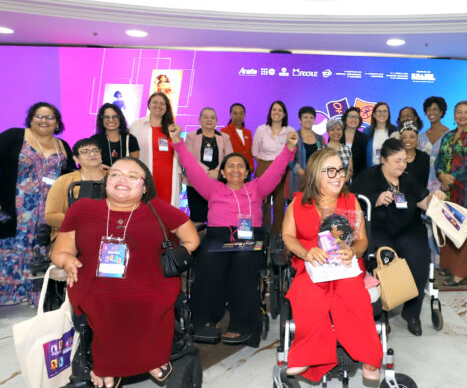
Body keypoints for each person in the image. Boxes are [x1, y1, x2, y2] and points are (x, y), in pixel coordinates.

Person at [50, 157, 200, 388]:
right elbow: (59, 251)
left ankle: (149, 360)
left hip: (151, 280)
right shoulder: (82, 209)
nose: (122, 180)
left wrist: (173, 258)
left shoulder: (158, 209)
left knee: (149, 303)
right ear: (106, 181)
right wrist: (68, 260)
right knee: (103, 304)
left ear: (145, 186)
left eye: (132, 176)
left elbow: (192, 239)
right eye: (116, 174)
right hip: (95, 281)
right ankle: (107, 366)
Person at [170, 123, 297, 346]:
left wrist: (288, 148)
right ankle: (205, 320)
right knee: (208, 262)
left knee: (244, 264)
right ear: (222, 172)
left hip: (249, 239)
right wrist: (178, 143)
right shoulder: (212, 188)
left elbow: (276, 170)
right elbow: (192, 168)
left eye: (241, 166)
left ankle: (243, 324)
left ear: (247, 172)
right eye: (230, 166)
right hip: (219, 238)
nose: (236, 170)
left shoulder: (257, 188)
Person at [281, 148, 382, 382]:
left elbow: (362, 240)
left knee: (354, 297)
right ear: (317, 174)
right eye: (331, 171)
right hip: (311, 263)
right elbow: (288, 237)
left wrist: (353, 251)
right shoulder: (297, 203)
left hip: (345, 264)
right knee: (309, 296)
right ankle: (308, 354)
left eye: (341, 170)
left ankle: (369, 355)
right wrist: (306, 253)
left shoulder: (350, 200)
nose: (339, 176)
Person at [0, 102, 76, 324]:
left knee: (39, 253)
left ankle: (38, 299)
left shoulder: (63, 146)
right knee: (2, 252)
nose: (44, 120)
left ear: (57, 122)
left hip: (46, 214)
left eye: (50, 117)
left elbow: (69, 175)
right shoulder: (13, 137)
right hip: (10, 212)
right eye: (39, 116)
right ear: (31, 118)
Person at [350, 138, 446, 336]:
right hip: (379, 230)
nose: (402, 165)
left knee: (420, 260)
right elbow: (352, 206)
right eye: (397, 161)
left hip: (409, 230)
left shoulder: (407, 179)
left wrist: (435, 197)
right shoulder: (367, 177)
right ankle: (382, 313)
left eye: (404, 160)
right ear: (383, 159)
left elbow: (423, 202)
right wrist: (375, 200)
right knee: (382, 263)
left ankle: (411, 314)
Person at [434, 101, 467, 286]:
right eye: (459, 112)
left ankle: (460, 274)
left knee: (463, 231)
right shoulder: (448, 135)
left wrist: (451, 178)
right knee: (447, 227)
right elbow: (439, 159)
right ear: (454, 115)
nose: (462, 115)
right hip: (448, 190)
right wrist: (441, 175)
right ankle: (447, 266)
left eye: (466, 112)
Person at [129, 92, 182, 207]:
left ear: (167, 107)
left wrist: (179, 177)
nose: (158, 105)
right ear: (149, 105)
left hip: (168, 177)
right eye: (155, 102)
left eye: (162, 103)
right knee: (146, 208)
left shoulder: (172, 128)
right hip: (145, 175)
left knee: (166, 209)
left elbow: (179, 156)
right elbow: (130, 152)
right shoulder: (137, 126)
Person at [44, 138, 106, 236]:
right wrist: (82, 221)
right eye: (85, 152)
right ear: (76, 159)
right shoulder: (64, 181)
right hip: (71, 234)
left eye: (95, 150)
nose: (92, 154)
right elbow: (50, 216)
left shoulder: (113, 177)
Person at [184, 107, 234, 222]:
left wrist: (217, 173)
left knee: (216, 216)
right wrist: (206, 172)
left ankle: (212, 239)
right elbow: (188, 158)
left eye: (212, 117)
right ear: (200, 120)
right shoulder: (191, 136)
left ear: (217, 121)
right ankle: (198, 239)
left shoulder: (224, 137)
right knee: (197, 217)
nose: (209, 120)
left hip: (218, 182)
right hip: (195, 182)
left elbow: (230, 159)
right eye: (205, 117)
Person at [252, 100, 293, 233]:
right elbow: (255, 152)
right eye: (274, 109)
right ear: (270, 112)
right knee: (262, 205)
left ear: (284, 114)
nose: (276, 112)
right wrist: (268, 165)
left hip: (282, 172)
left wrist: (278, 166)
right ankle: (262, 234)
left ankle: (277, 237)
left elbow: (291, 153)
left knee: (280, 205)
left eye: (280, 110)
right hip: (263, 168)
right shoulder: (261, 129)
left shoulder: (290, 131)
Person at [288, 106, 325, 197]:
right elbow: (289, 160)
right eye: (305, 117)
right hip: (298, 181)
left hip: (316, 181)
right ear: (300, 120)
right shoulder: (293, 137)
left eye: (311, 117)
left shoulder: (320, 139)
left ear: (314, 120)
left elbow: (323, 158)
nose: (308, 120)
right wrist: (304, 174)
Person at [90, 103, 140, 168]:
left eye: (115, 117)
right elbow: (87, 164)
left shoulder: (131, 139)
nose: (111, 120)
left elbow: (134, 166)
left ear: (120, 118)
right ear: (101, 120)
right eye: (106, 117)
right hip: (101, 177)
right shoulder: (94, 141)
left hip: (124, 177)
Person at [419, 96, 450, 192]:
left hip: (443, 184)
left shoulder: (450, 135)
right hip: (423, 184)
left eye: (435, 109)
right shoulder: (420, 137)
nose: (431, 113)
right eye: (428, 110)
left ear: (441, 112)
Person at [220, 103, 254, 172]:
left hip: (246, 171)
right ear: (230, 115)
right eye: (235, 113)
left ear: (244, 115)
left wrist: (251, 167)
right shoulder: (224, 131)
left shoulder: (248, 132)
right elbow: (222, 153)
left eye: (241, 113)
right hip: (231, 170)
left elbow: (249, 153)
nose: (238, 116)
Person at [397, 120, 429, 187]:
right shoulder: (394, 157)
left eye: (412, 137)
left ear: (417, 138)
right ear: (400, 139)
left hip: (421, 196)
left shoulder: (425, 158)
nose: (407, 140)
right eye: (404, 137)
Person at [366, 102, 397, 168]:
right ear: (374, 115)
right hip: (371, 172)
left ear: (388, 114)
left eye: (385, 111)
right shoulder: (366, 131)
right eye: (379, 111)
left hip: (390, 170)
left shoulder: (395, 131)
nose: (382, 114)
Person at [340, 106, 369, 176]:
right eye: (350, 117)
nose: (353, 119)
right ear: (345, 120)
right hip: (338, 175)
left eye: (356, 117)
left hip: (358, 177)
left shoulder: (364, 138)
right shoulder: (337, 135)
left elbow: (364, 162)